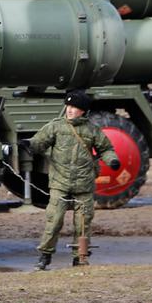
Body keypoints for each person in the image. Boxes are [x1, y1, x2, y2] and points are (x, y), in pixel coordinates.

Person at [25, 89, 118, 270]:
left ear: (83, 110)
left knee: (83, 223)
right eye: (68, 106)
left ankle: (80, 257)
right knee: (54, 220)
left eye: (74, 107)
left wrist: (112, 160)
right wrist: (29, 144)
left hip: (84, 185)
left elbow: (106, 148)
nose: (69, 110)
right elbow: (40, 141)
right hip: (60, 183)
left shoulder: (92, 131)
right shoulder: (56, 126)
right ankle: (45, 256)